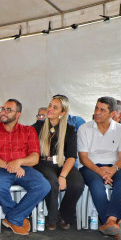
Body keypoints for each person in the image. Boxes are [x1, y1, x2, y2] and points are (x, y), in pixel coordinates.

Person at [0, 99, 51, 235]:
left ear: (18, 114)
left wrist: (18, 162)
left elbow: (35, 157)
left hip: (24, 169)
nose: (3, 112)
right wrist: (9, 165)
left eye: (8, 110)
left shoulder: (28, 131)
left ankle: (13, 218)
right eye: (3, 109)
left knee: (44, 186)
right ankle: (17, 217)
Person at [78, 96, 121, 240]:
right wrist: (100, 172)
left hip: (113, 166)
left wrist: (113, 170)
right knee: (96, 184)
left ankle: (110, 222)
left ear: (113, 113)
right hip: (91, 166)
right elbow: (83, 158)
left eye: (102, 110)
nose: (97, 112)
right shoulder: (84, 128)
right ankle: (114, 222)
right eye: (96, 108)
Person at [32, 95, 84, 230]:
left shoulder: (70, 129)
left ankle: (65, 215)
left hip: (62, 163)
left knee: (77, 184)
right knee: (52, 182)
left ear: (63, 113)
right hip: (42, 163)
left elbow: (72, 156)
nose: (50, 109)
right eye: (50, 105)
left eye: (55, 108)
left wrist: (63, 176)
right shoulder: (37, 127)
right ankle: (52, 218)